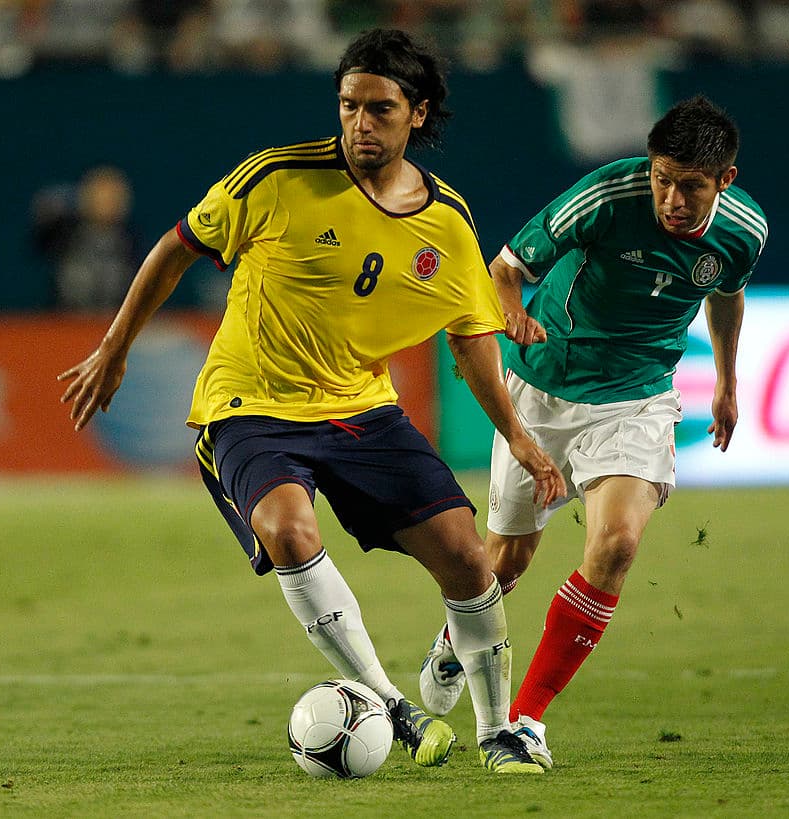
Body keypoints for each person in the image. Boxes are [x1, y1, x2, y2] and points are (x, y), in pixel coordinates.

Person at [59, 28, 564, 774]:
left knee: (468, 560)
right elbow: (175, 247)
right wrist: (115, 345)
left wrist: (517, 435)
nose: (360, 123)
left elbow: (470, 339)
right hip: (250, 403)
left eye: (380, 109)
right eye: (348, 106)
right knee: (287, 529)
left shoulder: (446, 225)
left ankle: (499, 733)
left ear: (417, 114)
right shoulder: (277, 177)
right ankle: (390, 703)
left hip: (363, 409)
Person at [418, 95, 767, 769]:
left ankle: (526, 720)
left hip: (636, 398)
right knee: (505, 564)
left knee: (616, 541)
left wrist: (726, 379)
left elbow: (726, 290)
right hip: (544, 383)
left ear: (724, 180)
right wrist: (513, 312)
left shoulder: (745, 230)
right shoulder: (608, 194)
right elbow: (505, 269)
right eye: (663, 177)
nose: (671, 197)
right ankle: (453, 638)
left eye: (690, 186)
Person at [31, 164, 141, 311]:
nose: (107, 203)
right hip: (66, 319)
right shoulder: (65, 232)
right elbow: (39, 236)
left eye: (113, 197)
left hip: (113, 318)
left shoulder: (130, 240)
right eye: (100, 195)